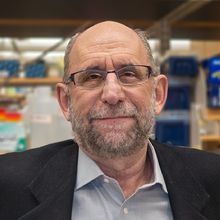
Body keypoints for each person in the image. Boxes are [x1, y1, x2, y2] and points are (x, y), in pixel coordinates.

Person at [0, 21, 220, 220]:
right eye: (92, 77)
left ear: (158, 95)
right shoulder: (7, 188)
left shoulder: (214, 179)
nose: (112, 95)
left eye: (129, 74)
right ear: (66, 101)